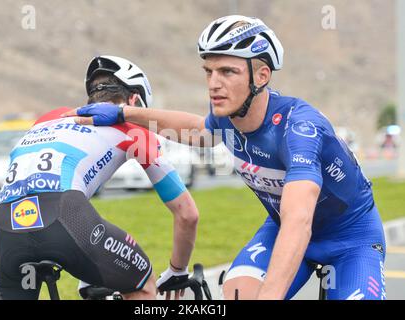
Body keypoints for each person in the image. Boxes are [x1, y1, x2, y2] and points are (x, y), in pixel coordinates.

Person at [64, 15, 387, 300]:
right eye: (209, 71)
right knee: (235, 294)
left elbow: (299, 221)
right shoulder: (227, 118)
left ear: (261, 76)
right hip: (279, 228)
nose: (214, 84)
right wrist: (123, 113)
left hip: (350, 238)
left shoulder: (300, 129)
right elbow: (197, 131)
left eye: (227, 71)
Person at [0, 55, 199, 300]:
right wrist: (178, 270)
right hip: (64, 214)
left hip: (3, 222)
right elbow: (187, 214)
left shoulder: (50, 118)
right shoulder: (136, 127)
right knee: (142, 285)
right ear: (134, 100)